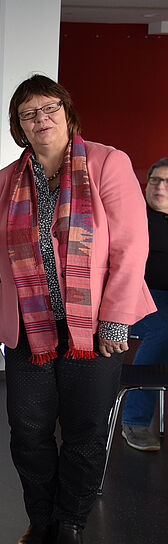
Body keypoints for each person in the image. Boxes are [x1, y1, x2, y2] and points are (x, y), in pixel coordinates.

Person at [0, 74, 156, 544]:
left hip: (95, 327)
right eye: (28, 113)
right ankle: (40, 521)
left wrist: (116, 320)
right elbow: (0, 261)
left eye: (49, 108)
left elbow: (129, 247)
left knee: (84, 430)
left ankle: (71, 524)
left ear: (67, 112)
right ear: (19, 127)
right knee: (28, 430)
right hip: (29, 329)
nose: (41, 119)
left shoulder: (107, 163)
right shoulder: (5, 180)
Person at [119, 157, 168, 452]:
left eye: (167, 181)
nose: (160, 186)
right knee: (164, 328)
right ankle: (134, 419)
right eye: (155, 180)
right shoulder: (134, 217)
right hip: (138, 297)